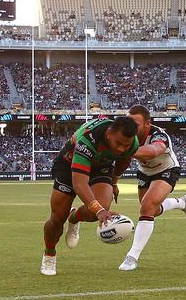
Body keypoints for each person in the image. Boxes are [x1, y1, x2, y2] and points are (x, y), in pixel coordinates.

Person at [41, 117, 139, 276]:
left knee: (100, 207)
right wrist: (99, 211)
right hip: (69, 164)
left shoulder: (132, 142)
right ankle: (49, 253)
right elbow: (79, 183)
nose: (121, 148)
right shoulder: (88, 139)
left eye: (125, 145)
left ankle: (74, 218)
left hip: (101, 167)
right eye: (118, 143)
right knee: (57, 218)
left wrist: (114, 182)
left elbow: (125, 158)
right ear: (109, 134)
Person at [117, 105, 186, 271]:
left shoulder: (159, 134)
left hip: (166, 170)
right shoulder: (127, 134)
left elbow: (154, 150)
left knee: (146, 207)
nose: (131, 127)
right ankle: (182, 203)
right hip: (145, 173)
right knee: (150, 210)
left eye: (135, 123)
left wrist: (125, 149)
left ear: (147, 124)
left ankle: (132, 256)